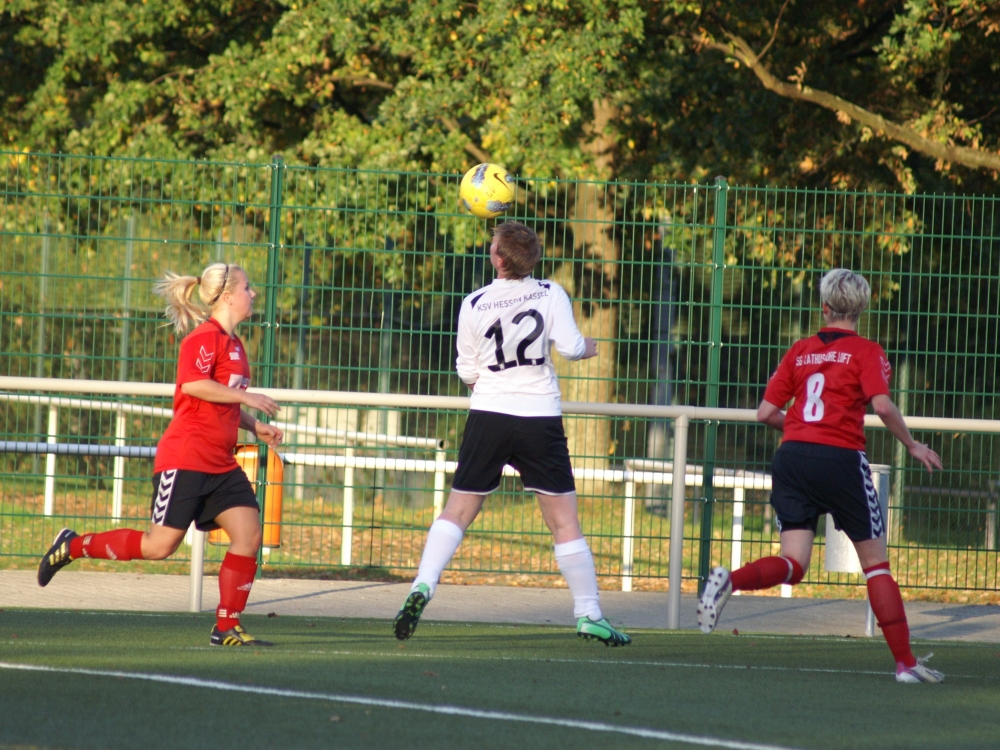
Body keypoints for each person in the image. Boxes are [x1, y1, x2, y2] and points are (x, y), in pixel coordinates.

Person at [697, 269, 944, 682]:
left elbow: (765, 413)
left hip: (792, 458)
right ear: (861, 308)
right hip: (841, 459)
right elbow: (882, 406)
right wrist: (913, 444)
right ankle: (905, 664)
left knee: (794, 563)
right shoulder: (867, 351)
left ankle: (729, 581)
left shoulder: (800, 350)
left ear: (824, 307)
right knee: (876, 565)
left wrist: (801, 430)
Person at [392, 221, 631, 646]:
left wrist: (489, 383)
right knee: (563, 522)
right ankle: (589, 614)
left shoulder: (473, 302)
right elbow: (571, 347)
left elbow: (466, 371)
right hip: (539, 417)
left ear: (498, 259)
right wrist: (589, 347)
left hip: (489, 415)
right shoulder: (551, 292)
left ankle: (422, 585)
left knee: (457, 512)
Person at [37, 262, 284, 648]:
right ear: (227, 296)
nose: (253, 294)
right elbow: (194, 385)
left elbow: (221, 400)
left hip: (221, 463)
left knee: (249, 536)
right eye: (247, 287)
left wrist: (253, 426)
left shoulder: (235, 344)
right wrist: (248, 398)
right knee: (159, 547)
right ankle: (72, 545)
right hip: (186, 458)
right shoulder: (204, 337)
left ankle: (226, 626)